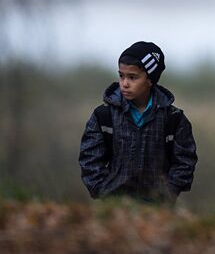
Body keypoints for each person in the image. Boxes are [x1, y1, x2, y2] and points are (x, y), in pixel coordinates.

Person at [79, 41, 197, 204]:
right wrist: (104, 192)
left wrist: (167, 194)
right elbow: (89, 159)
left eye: (132, 77)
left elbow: (185, 161)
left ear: (150, 80)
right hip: (115, 208)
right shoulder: (103, 116)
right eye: (121, 76)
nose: (124, 83)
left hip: (159, 211)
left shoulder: (174, 119)